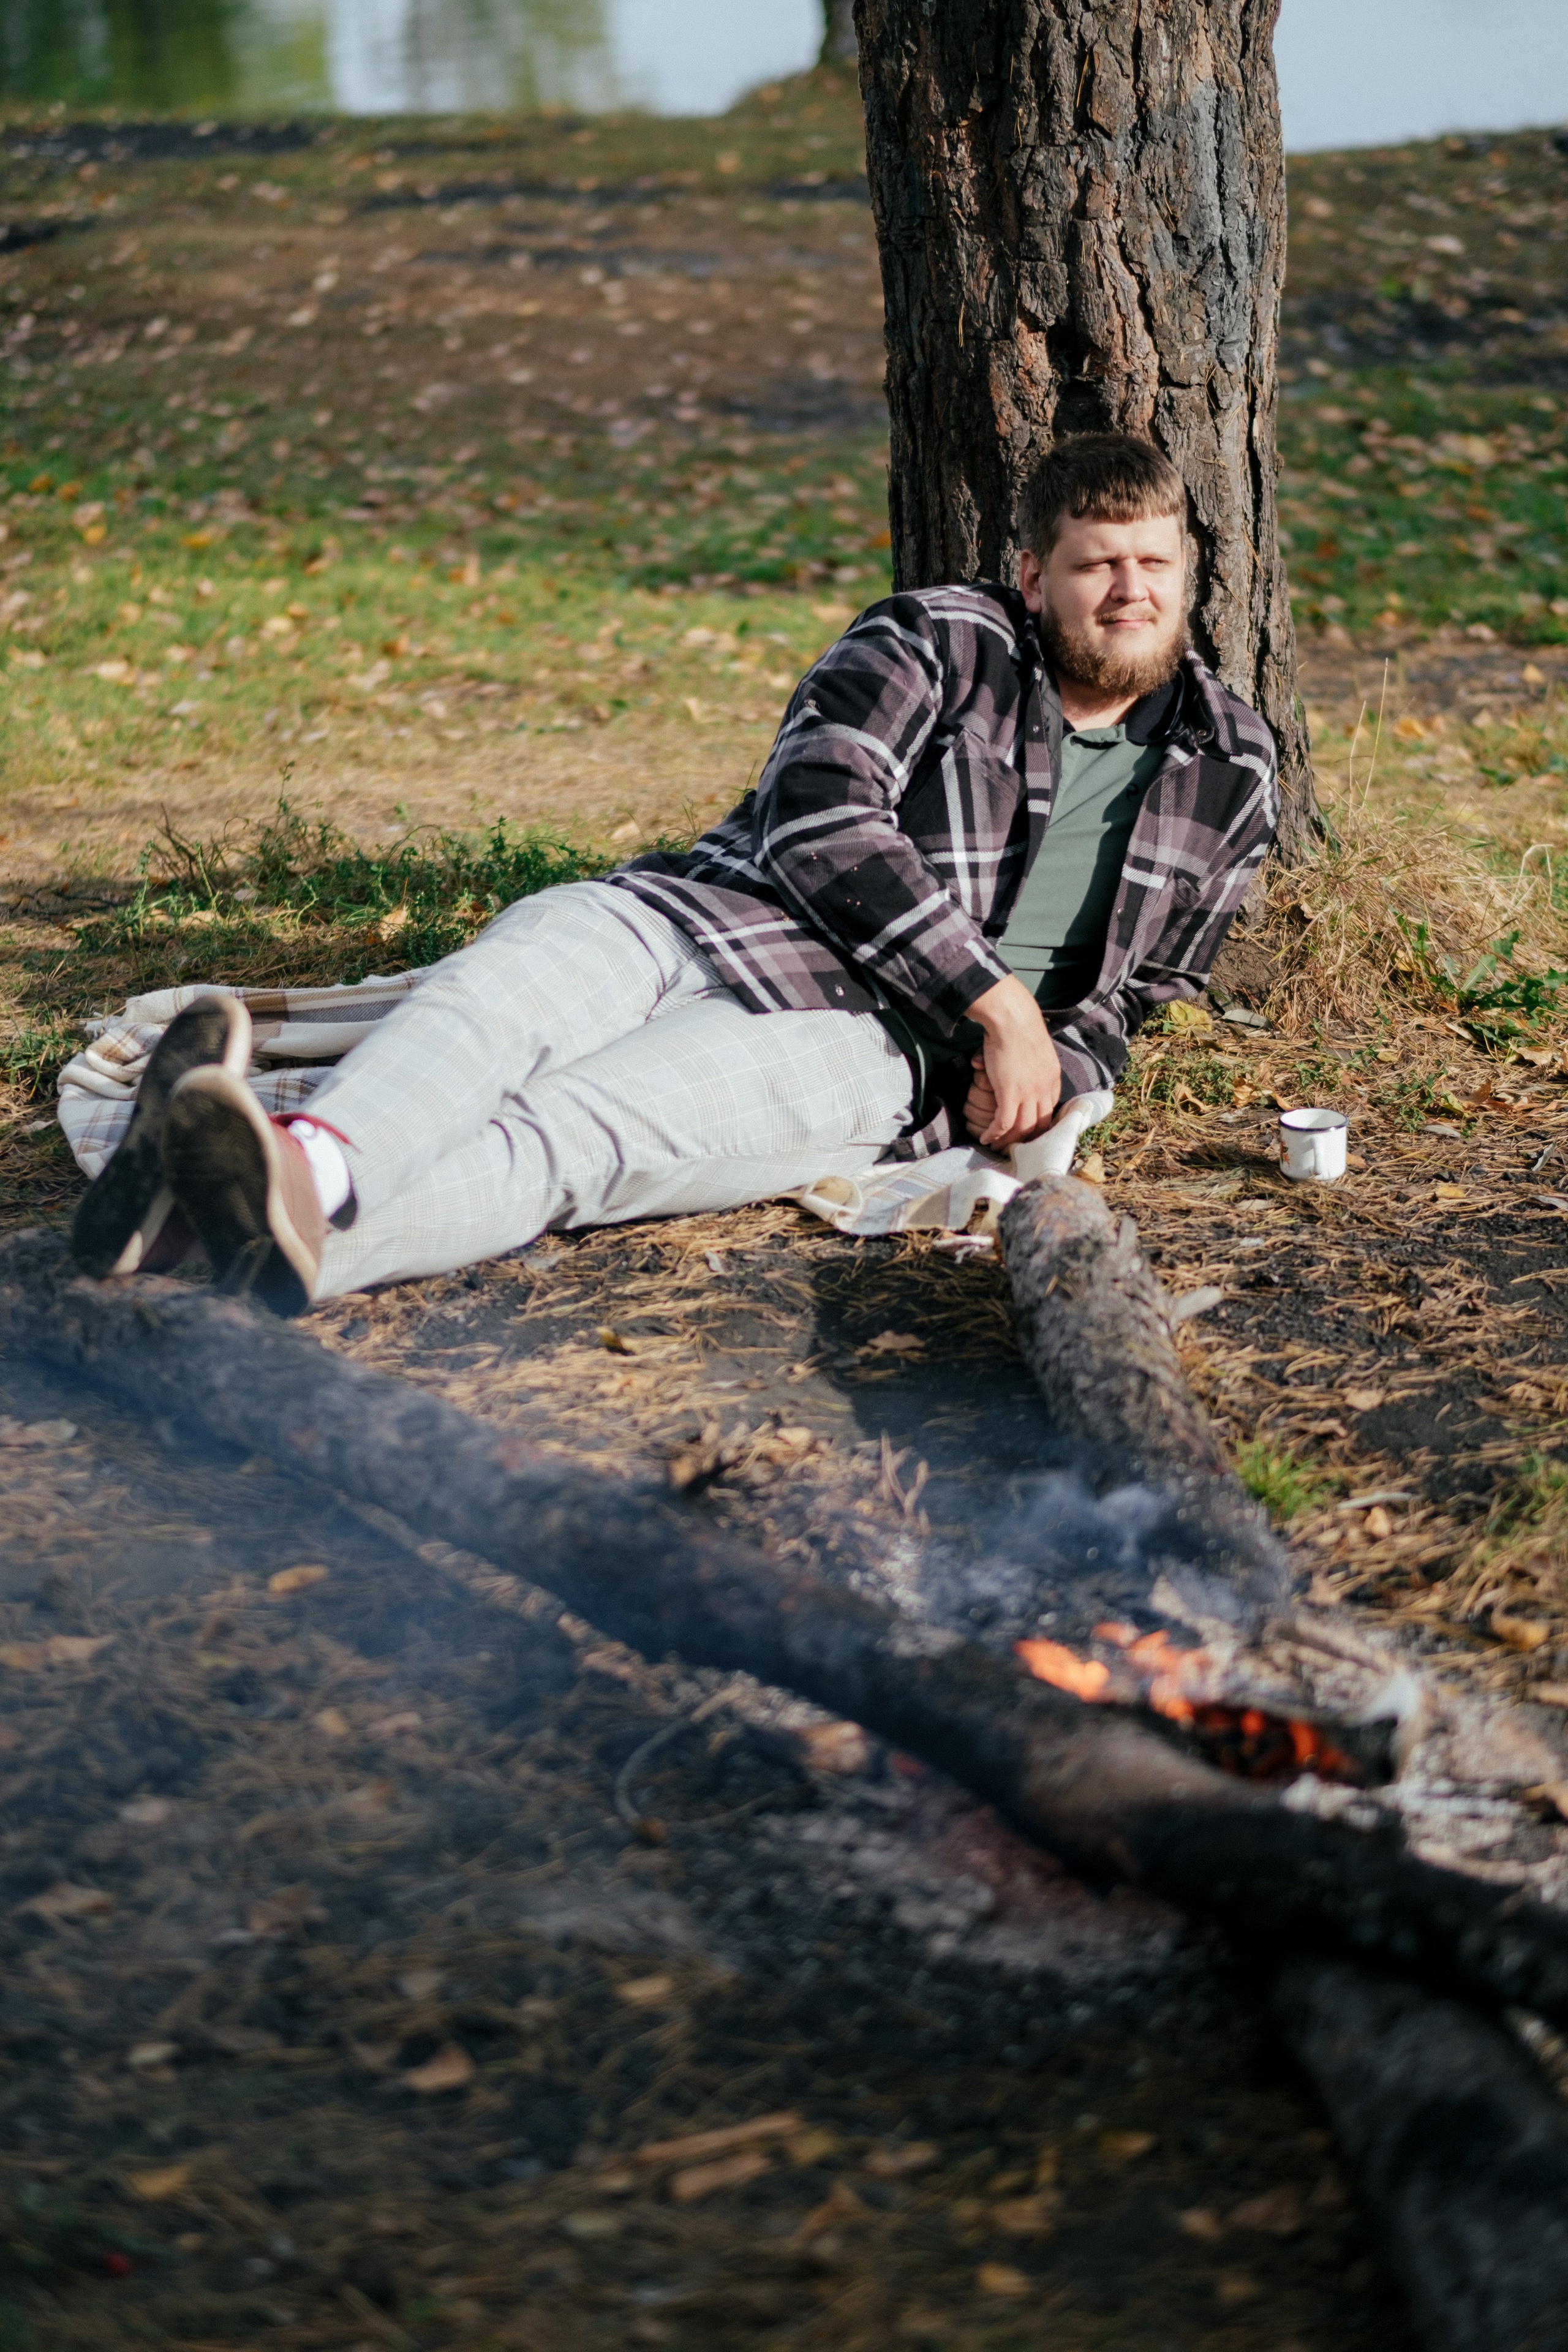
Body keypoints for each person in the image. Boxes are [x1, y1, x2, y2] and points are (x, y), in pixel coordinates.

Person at [71, 432, 1278, 1317]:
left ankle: (213, 1226)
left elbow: (1134, 998)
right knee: (498, 999)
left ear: (1187, 573)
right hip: (705, 912)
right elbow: (818, 818)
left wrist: (1036, 1071)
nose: (1127, 591)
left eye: (1151, 564)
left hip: (870, 1043)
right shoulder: (931, 638)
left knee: (571, 1139)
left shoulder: (1231, 767)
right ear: (1033, 577)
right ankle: (307, 1166)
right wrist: (999, 1002)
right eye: (1094, 564)